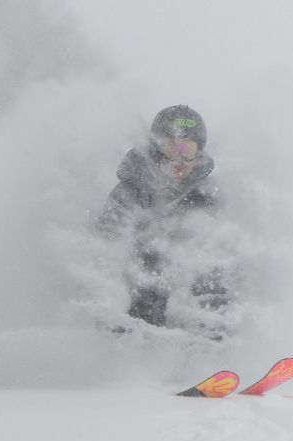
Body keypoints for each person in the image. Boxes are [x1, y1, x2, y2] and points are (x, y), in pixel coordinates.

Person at [96, 105, 228, 331]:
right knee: (153, 252)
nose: (180, 160)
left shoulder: (205, 195)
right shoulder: (131, 190)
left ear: (199, 154)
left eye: (188, 150)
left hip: (186, 292)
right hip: (137, 293)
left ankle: (212, 332)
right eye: (171, 148)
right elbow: (105, 244)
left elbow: (219, 248)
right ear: (156, 150)